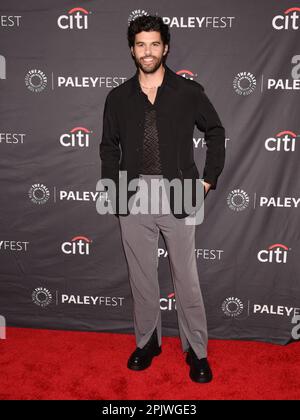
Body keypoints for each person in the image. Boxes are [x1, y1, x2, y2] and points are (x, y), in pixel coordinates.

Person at [99, 15, 226, 383]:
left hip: (181, 192)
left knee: (186, 278)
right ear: (132, 49)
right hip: (133, 195)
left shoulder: (188, 92)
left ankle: (196, 350)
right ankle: (147, 343)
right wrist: (113, 188)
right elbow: (108, 147)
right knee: (141, 278)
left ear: (165, 48)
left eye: (155, 44)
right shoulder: (118, 97)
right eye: (141, 44)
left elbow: (215, 132)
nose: (148, 51)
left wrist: (208, 181)